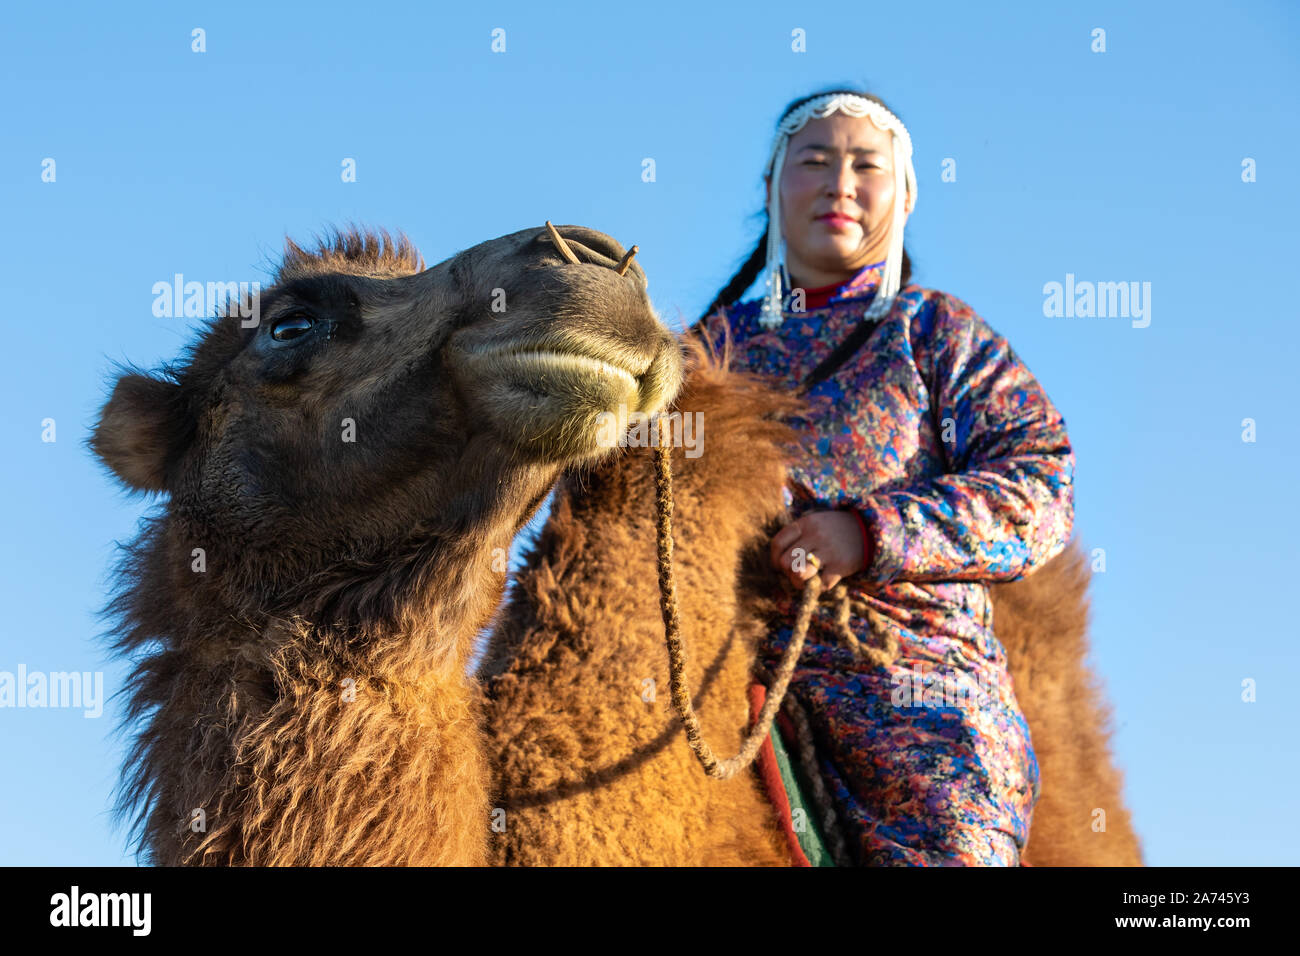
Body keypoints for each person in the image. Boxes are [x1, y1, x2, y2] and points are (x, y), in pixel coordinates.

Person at [689, 87, 1075, 866]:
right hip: (717, 664)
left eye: (866, 164)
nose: (839, 183)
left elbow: (1040, 487)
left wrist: (866, 533)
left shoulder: (938, 333)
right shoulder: (699, 355)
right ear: (772, 187)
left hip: (910, 683)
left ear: (903, 197)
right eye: (815, 161)